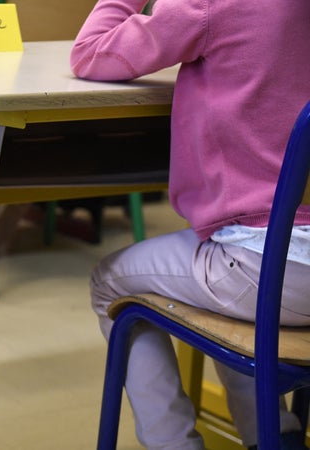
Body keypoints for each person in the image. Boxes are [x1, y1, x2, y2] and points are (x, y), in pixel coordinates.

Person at [70, 0, 310, 449]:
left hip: (263, 263)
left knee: (110, 282)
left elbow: (90, 53)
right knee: (231, 299)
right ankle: (280, 441)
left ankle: (174, 443)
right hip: (284, 263)